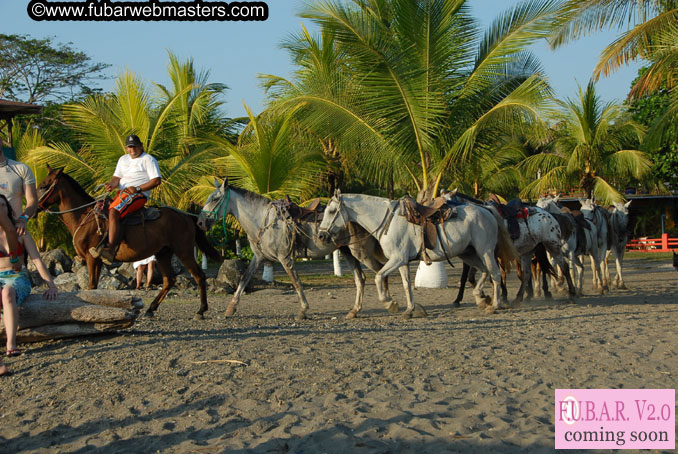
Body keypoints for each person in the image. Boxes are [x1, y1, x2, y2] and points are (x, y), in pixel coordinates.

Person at [0, 195, 57, 362]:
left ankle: (11, 344)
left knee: (8, 292)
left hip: (17, 277)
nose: (0, 209)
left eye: (3, 205)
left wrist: (51, 285)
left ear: (9, 210)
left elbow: (37, 260)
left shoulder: (20, 232)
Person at [90, 134, 162, 264]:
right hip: (121, 194)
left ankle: (110, 250)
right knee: (99, 210)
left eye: (135, 146)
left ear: (141, 146)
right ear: (126, 148)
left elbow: (156, 180)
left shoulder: (148, 159)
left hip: (138, 195)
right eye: (130, 147)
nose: (132, 149)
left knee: (114, 212)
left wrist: (138, 189)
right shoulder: (123, 159)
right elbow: (116, 178)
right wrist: (111, 185)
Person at [0, 148, 38, 236]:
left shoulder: (21, 169)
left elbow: (33, 200)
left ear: (1, 140)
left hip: (17, 232)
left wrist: (23, 219)